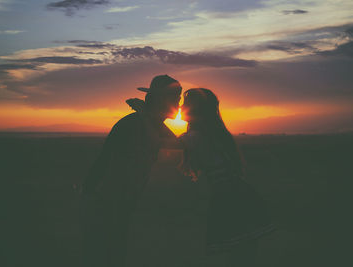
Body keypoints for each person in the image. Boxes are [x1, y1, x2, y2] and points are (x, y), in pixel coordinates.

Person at [127, 88, 275, 267]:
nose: (181, 106)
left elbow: (162, 142)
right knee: (244, 250)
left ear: (196, 110)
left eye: (186, 104)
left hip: (228, 197)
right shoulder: (212, 133)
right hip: (238, 193)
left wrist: (146, 114)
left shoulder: (196, 137)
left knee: (240, 252)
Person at [81, 74, 182, 267]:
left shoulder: (152, 125)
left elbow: (178, 146)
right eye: (175, 99)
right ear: (161, 100)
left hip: (118, 202)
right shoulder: (134, 125)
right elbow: (114, 170)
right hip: (105, 200)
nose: (179, 104)